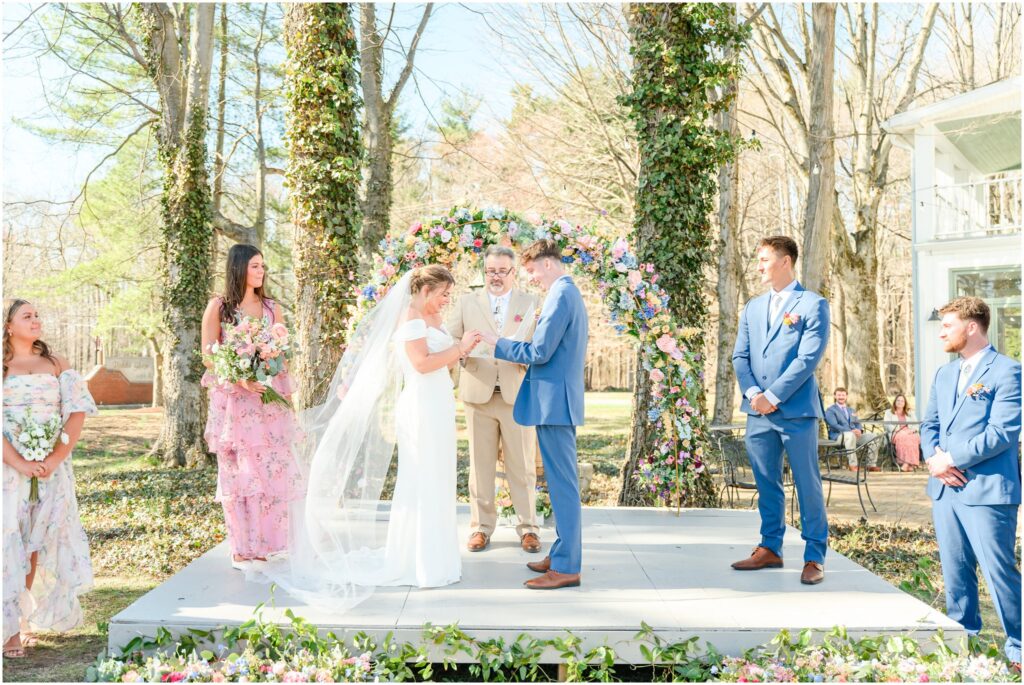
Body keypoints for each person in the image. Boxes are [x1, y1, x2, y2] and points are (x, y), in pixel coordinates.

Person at [254, 266, 482, 606]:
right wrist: (460, 348)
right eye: (443, 294)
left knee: (438, 478)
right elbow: (421, 363)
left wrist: (462, 349)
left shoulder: (433, 319)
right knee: (422, 479)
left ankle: (436, 556)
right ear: (425, 291)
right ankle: (418, 561)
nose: (447, 300)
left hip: (439, 403)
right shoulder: (411, 317)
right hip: (420, 406)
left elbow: (441, 361)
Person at [481, 238, 589, 590]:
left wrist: (498, 343)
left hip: (555, 403)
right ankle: (559, 555)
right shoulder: (565, 293)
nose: (531, 278)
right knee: (559, 485)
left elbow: (540, 352)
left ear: (547, 264)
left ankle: (567, 567)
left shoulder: (561, 295)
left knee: (563, 487)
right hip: (555, 401)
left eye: (531, 271)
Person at [920, 296, 1021, 667]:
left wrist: (952, 459)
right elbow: (929, 424)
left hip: (988, 491)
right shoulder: (944, 374)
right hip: (945, 489)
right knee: (955, 574)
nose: (942, 333)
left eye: (948, 325)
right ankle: (963, 644)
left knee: (999, 573)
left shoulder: (1007, 371)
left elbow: (1002, 432)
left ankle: (1019, 648)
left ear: (972, 326)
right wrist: (934, 461)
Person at [731, 235, 830, 585]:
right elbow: (740, 356)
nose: (758, 266)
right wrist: (755, 393)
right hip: (757, 412)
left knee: (807, 484)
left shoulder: (813, 304)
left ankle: (814, 555)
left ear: (785, 261)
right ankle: (770, 547)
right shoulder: (752, 307)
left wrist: (773, 395)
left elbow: (808, 358)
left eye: (764, 259)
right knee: (766, 482)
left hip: (796, 413)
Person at [201, 244, 305, 571]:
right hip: (235, 403)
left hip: (266, 400)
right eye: (255, 266)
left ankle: (268, 544)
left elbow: (281, 355)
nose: (261, 271)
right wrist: (240, 378)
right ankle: (242, 548)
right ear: (239, 267)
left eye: (263, 266)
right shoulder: (220, 307)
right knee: (240, 474)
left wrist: (283, 394)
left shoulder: (272, 308)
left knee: (271, 470)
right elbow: (208, 355)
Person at [3, 299, 95, 658]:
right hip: (8, 468)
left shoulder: (57, 365)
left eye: (37, 315)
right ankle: (8, 632)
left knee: (31, 545)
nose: (36, 320)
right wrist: (18, 462)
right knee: (8, 543)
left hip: (49, 469)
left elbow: (75, 413)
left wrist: (54, 459)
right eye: (27, 316)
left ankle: (21, 620)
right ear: (8, 325)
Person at [447, 246, 542, 554]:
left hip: (518, 394)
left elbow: (540, 345)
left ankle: (528, 527)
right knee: (480, 465)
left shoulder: (531, 302)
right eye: (491, 271)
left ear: (514, 273)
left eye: (502, 271)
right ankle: (480, 527)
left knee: (523, 466)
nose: (496, 277)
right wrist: (463, 351)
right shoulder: (467, 302)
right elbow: (451, 339)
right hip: (478, 393)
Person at [824, 388, 880, 471]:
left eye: (843, 395)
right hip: (839, 437)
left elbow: (857, 423)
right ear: (835, 396)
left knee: (874, 436)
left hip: (854, 435)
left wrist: (859, 430)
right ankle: (852, 465)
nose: (841, 397)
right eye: (839, 395)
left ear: (846, 396)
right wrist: (850, 431)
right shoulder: (830, 410)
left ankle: (871, 465)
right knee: (850, 435)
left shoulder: (851, 410)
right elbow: (834, 425)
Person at [884, 393, 920, 471]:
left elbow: (916, 425)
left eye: (902, 401)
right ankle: (906, 463)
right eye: (898, 400)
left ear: (905, 403)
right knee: (903, 437)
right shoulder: (889, 412)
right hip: (895, 432)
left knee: (913, 438)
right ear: (895, 402)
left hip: (909, 432)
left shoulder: (910, 412)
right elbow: (887, 425)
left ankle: (909, 464)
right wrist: (898, 431)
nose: (900, 402)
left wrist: (911, 431)